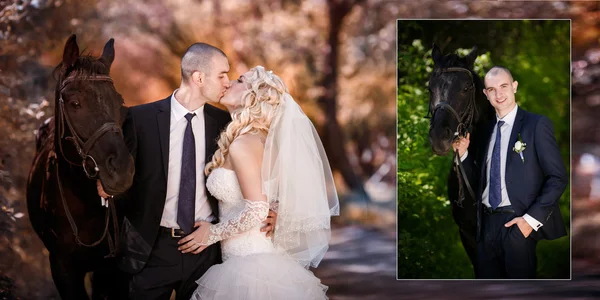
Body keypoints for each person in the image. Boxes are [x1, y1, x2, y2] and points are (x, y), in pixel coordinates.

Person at [97, 43, 276, 299]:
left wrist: (275, 209)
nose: (227, 82)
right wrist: (105, 186)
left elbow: (266, 169)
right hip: (152, 249)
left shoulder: (227, 124)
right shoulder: (139, 119)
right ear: (199, 77)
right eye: (222, 75)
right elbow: (119, 174)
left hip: (207, 254)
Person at [178, 66, 339, 299]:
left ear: (255, 95)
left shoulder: (243, 144)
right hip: (258, 259)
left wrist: (211, 233)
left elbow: (257, 209)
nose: (229, 82)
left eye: (240, 80)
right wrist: (278, 208)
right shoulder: (261, 141)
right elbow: (273, 197)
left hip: (249, 268)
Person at [453, 66, 567, 279]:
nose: (499, 94)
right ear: (486, 95)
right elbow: (480, 181)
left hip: (518, 224)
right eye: (492, 89)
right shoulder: (485, 132)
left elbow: (557, 178)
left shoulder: (536, 125)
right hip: (485, 226)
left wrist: (529, 221)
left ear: (514, 86)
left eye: (504, 86)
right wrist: (464, 155)